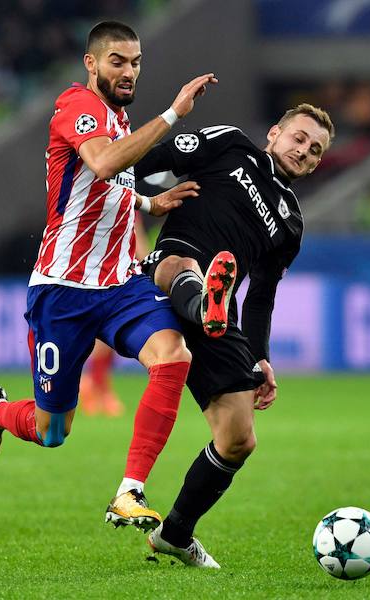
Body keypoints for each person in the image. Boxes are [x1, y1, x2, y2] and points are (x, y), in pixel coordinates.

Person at [0, 20, 217, 532]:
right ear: (92, 63)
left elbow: (104, 186)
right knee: (52, 431)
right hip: (63, 290)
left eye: (136, 63)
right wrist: (174, 112)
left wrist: (149, 203)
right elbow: (103, 165)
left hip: (119, 285)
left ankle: (130, 491)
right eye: (117, 61)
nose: (129, 72)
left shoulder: (119, 121)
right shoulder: (76, 105)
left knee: (173, 356)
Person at [135, 103, 335, 567]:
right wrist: (145, 200)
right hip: (172, 265)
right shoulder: (232, 144)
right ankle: (202, 301)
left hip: (222, 315)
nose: (304, 151)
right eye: (299, 138)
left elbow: (262, 296)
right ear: (275, 133)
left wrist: (261, 357)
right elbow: (150, 161)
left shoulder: (291, 224)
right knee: (182, 265)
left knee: (238, 438)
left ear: (317, 164)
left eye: (315, 150)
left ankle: (175, 534)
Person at [78, 215, 152, 416]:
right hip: (110, 276)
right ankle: (97, 387)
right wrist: (149, 265)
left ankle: (95, 385)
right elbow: (138, 239)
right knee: (105, 336)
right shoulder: (125, 203)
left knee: (106, 337)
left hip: (97, 273)